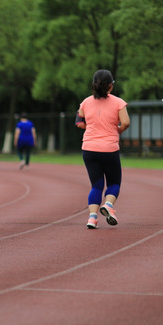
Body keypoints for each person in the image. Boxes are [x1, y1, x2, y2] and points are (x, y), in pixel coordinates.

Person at [75, 69, 130, 229]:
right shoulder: (119, 102)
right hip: (109, 148)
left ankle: (92, 218)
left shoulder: (85, 102)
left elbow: (79, 122)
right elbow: (125, 122)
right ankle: (108, 205)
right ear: (111, 86)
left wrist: (92, 127)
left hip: (89, 149)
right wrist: (117, 130)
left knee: (96, 185)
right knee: (114, 182)